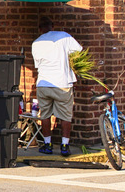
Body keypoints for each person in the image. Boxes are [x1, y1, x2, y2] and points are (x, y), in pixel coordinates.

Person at [31, 16, 83, 156]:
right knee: (66, 116)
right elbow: (79, 52)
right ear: (52, 26)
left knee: (45, 116)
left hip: (43, 84)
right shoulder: (64, 37)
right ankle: (64, 146)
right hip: (62, 83)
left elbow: (38, 65)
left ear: (39, 29)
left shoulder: (35, 43)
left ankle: (47, 145)